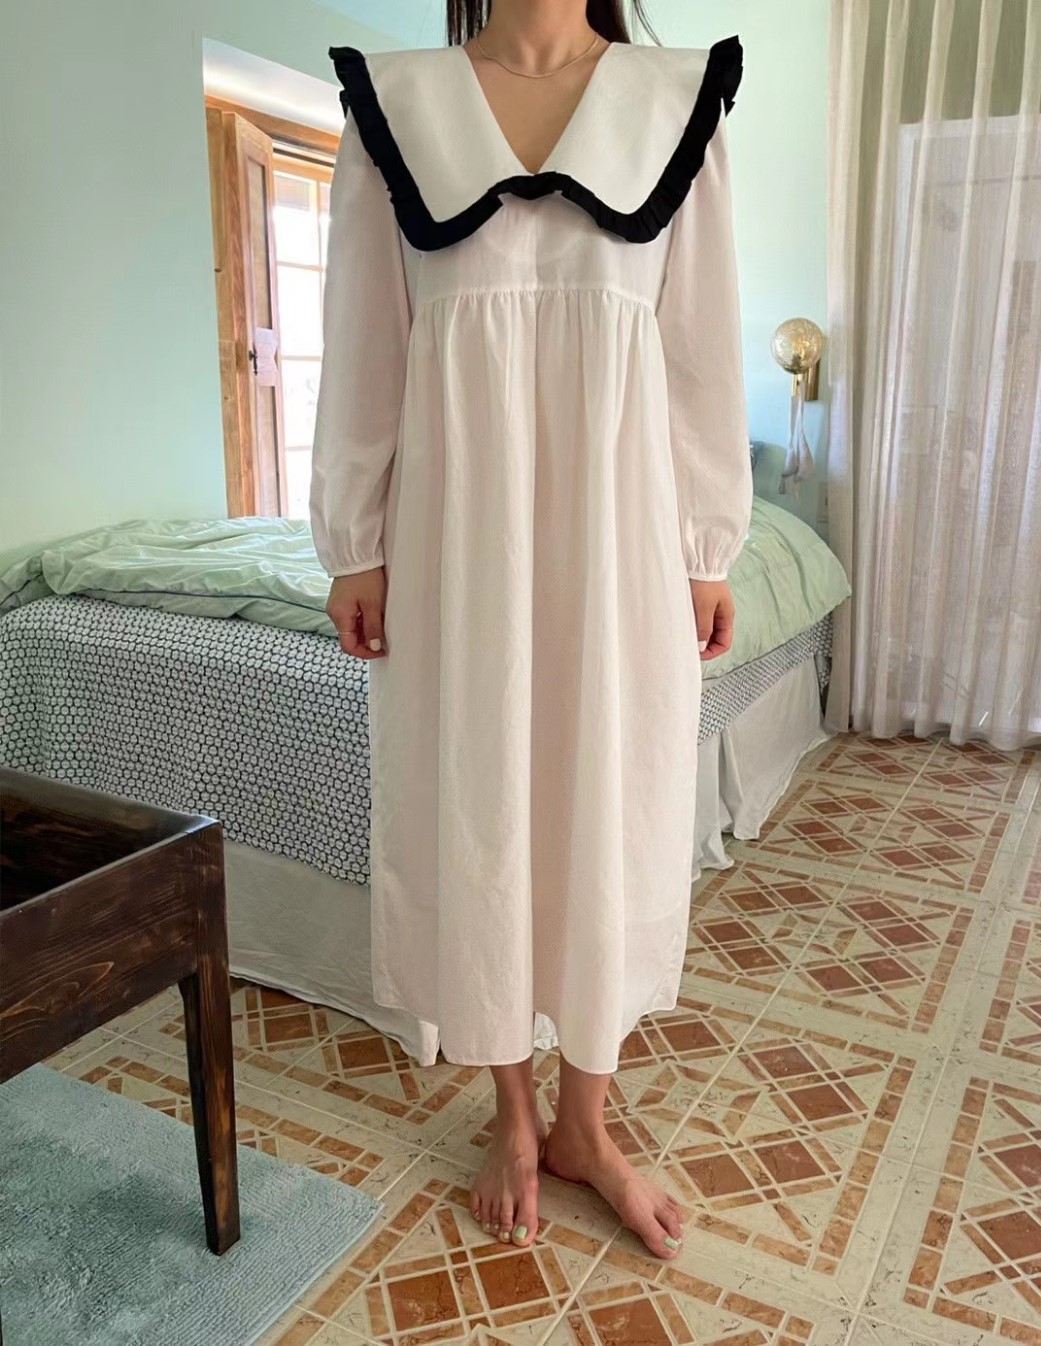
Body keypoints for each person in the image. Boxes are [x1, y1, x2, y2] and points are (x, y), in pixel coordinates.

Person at [310, 0, 751, 1260]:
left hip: (623, 534)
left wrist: (707, 544)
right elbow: (365, 342)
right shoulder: (394, 106)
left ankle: (586, 1125)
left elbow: (699, 350)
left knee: (612, 798)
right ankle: (511, 1112)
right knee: (479, 798)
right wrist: (357, 540)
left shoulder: (676, 101)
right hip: (457, 536)